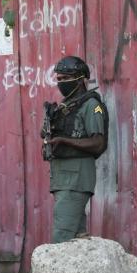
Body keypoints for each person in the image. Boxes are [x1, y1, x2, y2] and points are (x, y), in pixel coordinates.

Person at [42, 56, 108, 243]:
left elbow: (98, 143)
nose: (61, 83)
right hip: (63, 178)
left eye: (65, 78)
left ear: (80, 80)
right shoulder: (66, 106)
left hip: (76, 178)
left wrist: (64, 141)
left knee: (62, 236)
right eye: (59, 79)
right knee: (77, 238)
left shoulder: (92, 106)